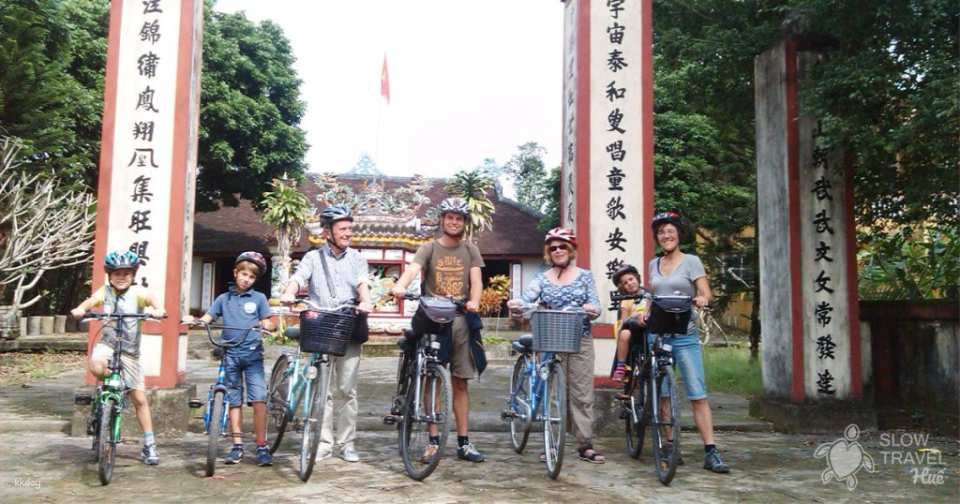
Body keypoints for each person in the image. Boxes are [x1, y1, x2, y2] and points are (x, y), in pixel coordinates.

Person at [390, 197, 487, 463]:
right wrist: (400, 286)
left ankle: (464, 442)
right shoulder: (429, 248)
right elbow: (413, 270)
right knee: (431, 379)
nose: (454, 222)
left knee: (460, 381)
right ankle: (433, 441)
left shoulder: (470, 250)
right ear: (442, 220)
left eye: (459, 218)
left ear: (464, 223)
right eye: (450, 217)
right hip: (433, 317)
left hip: (460, 319)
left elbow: (476, 281)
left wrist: (475, 300)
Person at [281, 205, 373, 463]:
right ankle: (322, 442)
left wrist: (365, 301)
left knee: (346, 389)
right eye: (342, 229)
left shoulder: (357, 258)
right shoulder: (312, 257)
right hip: (320, 325)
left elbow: (363, 284)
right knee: (321, 388)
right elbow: (299, 278)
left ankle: (346, 444)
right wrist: (290, 292)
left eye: (349, 229)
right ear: (327, 232)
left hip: (348, 325)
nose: (348, 233)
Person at [506, 227, 606, 464]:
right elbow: (528, 297)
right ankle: (551, 441)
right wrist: (518, 302)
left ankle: (585, 444)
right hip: (549, 338)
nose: (558, 250)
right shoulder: (542, 278)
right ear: (548, 253)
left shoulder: (584, 276)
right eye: (553, 248)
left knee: (581, 393)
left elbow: (594, 303)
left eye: (562, 246)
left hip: (578, 337)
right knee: (551, 393)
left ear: (571, 250)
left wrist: (592, 309)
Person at [646, 210, 730, 473]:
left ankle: (711, 451)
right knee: (663, 395)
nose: (666, 235)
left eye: (670, 231)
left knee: (697, 393)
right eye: (661, 232)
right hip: (658, 334)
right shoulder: (653, 264)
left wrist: (703, 299)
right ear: (657, 237)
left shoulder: (691, 261)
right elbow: (653, 295)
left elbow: (705, 291)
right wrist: (646, 310)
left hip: (685, 334)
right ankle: (670, 445)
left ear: (678, 235)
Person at [70, 251, 166, 465]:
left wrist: (158, 309)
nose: (121, 277)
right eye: (116, 273)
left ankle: (149, 445)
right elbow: (92, 301)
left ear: (133, 275)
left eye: (126, 273)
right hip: (107, 344)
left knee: (139, 399)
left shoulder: (138, 292)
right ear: (109, 275)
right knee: (96, 366)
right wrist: (81, 309)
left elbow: (151, 299)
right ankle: (105, 396)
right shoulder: (105, 291)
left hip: (130, 351)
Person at [184, 251, 275, 466]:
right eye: (243, 274)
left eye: (251, 277)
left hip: (252, 355)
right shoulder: (223, 299)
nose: (246, 279)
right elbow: (208, 317)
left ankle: (261, 445)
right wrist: (197, 321)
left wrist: (267, 324)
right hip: (230, 355)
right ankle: (237, 445)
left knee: (259, 400)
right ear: (235, 273)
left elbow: (268, 320)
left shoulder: (259, 298)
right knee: (234, 401)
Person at [610, 264, 648, 382]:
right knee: (625, 333)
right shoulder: (626, 301)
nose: (630, 283)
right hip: (634, 333)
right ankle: (621, 366)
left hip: (649, 330)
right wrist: (635, 316)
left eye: (631, 279)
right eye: (625, 283)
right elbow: (624, 320)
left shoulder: (649, 295)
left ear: (637, 278)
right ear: (623, 287)